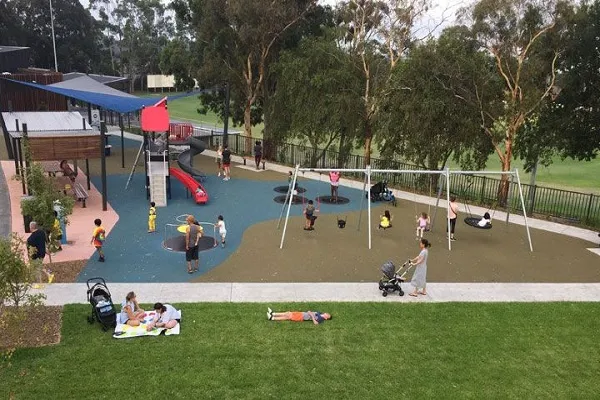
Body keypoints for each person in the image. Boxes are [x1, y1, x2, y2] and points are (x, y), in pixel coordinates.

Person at [27, 221, 54, 286]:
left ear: (30, 228)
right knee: (39, 266)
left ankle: (40, 284)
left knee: (37, 270)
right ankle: (49, 275)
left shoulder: (30, 239)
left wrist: (30, 258)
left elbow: (31, 251)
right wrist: (46, 250)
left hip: (36, 256)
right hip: (42, 254)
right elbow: (44, 242)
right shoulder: (42, 232)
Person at [267, 308, 331, 325]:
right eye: (327, 313)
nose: (327, 313)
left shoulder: (321, 319)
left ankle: (272, 317)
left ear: (326, 318)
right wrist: (310, 312)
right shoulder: (320, 313)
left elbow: (315, 323)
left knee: (288, 316)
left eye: (328, 315)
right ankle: (273, 314)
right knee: (288, 313)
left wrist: (311, 314)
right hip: (301, 313)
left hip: (301, 317)